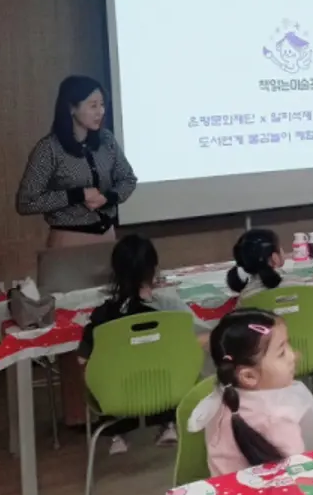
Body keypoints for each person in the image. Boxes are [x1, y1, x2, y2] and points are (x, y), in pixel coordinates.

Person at [77, 234, 210, 454]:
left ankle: (117, 433)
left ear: (115, 272)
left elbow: (83, 361)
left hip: (116, 399)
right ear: (154, 270)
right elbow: (198, 342)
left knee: (107, 372)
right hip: (170, 391)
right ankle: (168, 422)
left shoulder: (101, 317)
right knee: (172, 363)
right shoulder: (171, 313)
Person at [187, 308, 313, 475]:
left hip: (230, 489)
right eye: (281, 353)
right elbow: (298, 473)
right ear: (249, 376)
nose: (293, 355)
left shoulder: (221, 399)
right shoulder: (274, 418)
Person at [16, 75, 137, 248]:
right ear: (72, 108)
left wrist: (108, 197)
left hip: (108, 237)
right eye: (93, 105)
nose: (100, 112)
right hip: (70, 239)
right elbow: (26, 202)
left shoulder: (106, 140)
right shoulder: (49, 148)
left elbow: (128, 179)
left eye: (102, 105)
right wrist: (77, 195)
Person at [227, 228, 313, 345]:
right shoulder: (309, 288)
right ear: (275, 258)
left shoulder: (246, 299)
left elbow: (242, 343)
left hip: (267, 357)